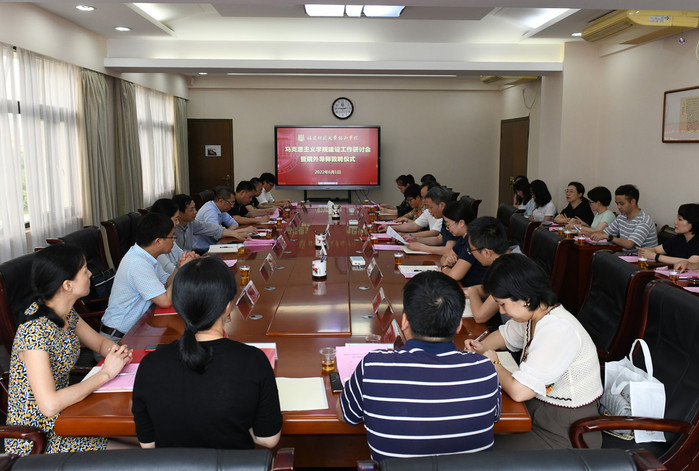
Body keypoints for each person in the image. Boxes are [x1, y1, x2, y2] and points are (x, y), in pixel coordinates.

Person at [337, 271, 501, 461]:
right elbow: (494, 417)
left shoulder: (373, 367)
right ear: (458, 326)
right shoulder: (486, 371)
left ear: (404, 321)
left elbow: (344, 414)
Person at [132, 257, 282, 449]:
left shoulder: (150, 364)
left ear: (178, 306)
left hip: (173, 464)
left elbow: (148, 444)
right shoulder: (253, 360)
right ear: (227, 307)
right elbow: (268, 439)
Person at [465, 254, 602, 450]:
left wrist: (494, 364)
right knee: (478, 435)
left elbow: (520, 391)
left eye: (503, 304)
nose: (501, 311)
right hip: (539, 411)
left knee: (483, 446)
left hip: (567, 431)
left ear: (526, 298)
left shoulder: (557, 329)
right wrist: (482, 347)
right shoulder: (536, 315)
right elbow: (504, 336)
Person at [5, 245, 132, 455]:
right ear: (67, 285)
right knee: (134, 453)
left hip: (68, 417)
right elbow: (49, 405)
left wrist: (119, 353)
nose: (90, 274)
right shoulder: (34, 332)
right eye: (84, 270)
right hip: (39, 440)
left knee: (142, 437)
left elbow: (100, 344)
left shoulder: (65, 313)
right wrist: (106, 374)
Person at [100, 213, 192, 344]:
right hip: (117, 339)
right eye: (172, 237)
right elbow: (165, 301)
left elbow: (167, 284)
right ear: (158, 242)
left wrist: (178, 267)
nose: (174, 241)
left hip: (137, 330)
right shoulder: (137, 263)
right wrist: (182, 270)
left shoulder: (147, 256)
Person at [462, 217, 522, 331]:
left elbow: (480, 316)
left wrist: (472, 291)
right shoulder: (511, 255)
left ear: (486, 252)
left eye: (471, 250)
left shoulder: (509, 271)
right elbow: (488, 290)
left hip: (514, 335)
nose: (471, 254)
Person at [172, 194, 254, 252]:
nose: (195, 212)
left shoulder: (191, 223)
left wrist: (236, 234)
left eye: (195, 208)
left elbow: (213, 228)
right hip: (193, 256)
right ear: (179, 213)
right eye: (191, 210)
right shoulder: (171, 230)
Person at [589, 184, 658, 253]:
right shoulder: (621, 217)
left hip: (641, 258)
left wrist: (608, 237)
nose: (619, 207)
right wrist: (590, 233)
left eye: (622, 203)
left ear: (633, 202)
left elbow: (629, 244)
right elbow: (604, 233)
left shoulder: (644, 220)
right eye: (617, 203)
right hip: (625, 255)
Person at [438, 201, 486, 287]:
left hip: (473, 290)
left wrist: (444, 268)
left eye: (448, 224)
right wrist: (448, 261)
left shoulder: (472, 240)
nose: (447, 228)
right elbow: (443, 257)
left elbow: (454, 275)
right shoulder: (463, 237)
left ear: (461, 223)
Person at [149, 198, 199, 274]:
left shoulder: (169, 236)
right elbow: (171, 271)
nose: (178, 223)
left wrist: (190, 257)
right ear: (165, 219)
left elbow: (182, 254)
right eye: (176, 219)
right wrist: (183, 264)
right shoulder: (155, 245)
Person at [192, 186, 241, 250]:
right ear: (221, 201)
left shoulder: (220, 209)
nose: (232, 206)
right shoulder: (210, 211)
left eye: (233, 203)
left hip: (215, 245)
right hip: (203, 249)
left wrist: (227, 233)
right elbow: (216, 235)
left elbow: (234, 224)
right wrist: (233, 233)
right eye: (231, 203)